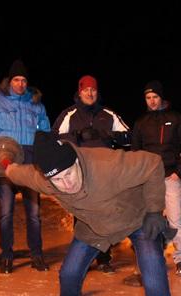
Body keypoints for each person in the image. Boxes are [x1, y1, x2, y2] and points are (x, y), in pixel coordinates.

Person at [0, 131, 180, 296]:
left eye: (69, 173)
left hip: (136, 219)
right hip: (94, 227)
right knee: (69, 273)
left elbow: (153, 163)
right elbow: (17, 172)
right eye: (58, 180)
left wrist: (154, 210)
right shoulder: (45, 179)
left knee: (153, 275)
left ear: (76, 162)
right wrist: (5, 163)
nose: (66, 183)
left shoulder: (106, 165)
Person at [0, 59, 51, 274]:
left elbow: (45, 134)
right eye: (16, 80)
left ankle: (37, 254)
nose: (20, 84)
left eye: (23, 80)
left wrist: (46, 160)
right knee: (6, 213)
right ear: (9, 81)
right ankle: (6, 256)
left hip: (30, 163)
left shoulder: (36, 105)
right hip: (5, 161)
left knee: (34, 213)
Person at [52, 75, 130, 274]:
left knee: (104, 215)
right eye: (86, 90)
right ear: (79, 92)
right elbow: (55, 139)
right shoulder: (69, 114)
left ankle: (104, 258)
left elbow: (129, 137)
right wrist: (76, 136)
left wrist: (107, 135)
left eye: (93, 90)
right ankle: (82, 260)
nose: (90, 93)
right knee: (82, 217)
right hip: (80, 173)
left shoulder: (108, 114)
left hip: (105, 173)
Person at [131, 80, 181, 276]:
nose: (152, 101)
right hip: (149, 180)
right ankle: (149, 258)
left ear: (161, 97)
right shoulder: (141, 122)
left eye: (155, 97)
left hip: (170, 177)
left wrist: (179, 172)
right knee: (148, 220)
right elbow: (135, 151)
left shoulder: (175, 118)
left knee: (175, 220)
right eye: (148, 98)